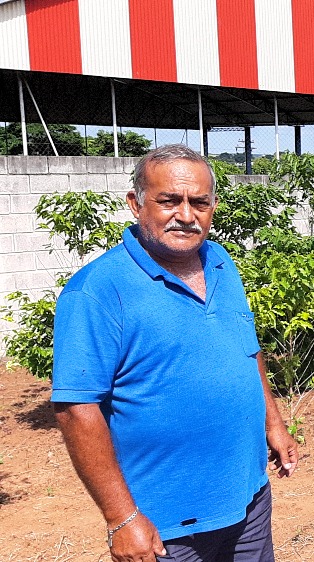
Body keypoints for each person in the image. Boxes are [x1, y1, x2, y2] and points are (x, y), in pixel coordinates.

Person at [51, 144, 299, 562]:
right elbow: (77, 407)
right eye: (169, 200)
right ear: (136, 203)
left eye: (199, 202)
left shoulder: (219, 260)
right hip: (164, 524)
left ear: (213, 206)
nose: (186, 215)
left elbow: (246, 348)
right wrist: (122, 518)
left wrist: (274, 423)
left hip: (248, 496)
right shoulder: (96, 291)